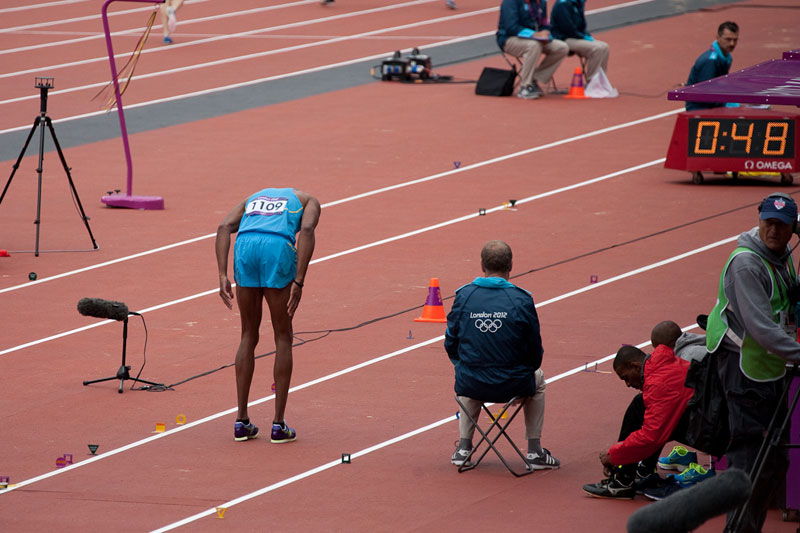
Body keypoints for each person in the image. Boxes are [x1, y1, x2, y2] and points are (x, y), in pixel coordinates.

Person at [705, 192, 800, 532]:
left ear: (794, 227)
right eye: (769, 223)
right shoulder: (747, 263)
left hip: (768, 371)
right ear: (759, 220)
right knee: (751, 466)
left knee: (775, 462)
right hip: (744, 373)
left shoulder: (781, 253)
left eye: (783, 225)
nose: (774, 231)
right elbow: (760, 327)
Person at [216, 188, 321, 443]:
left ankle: (241, 421)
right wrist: (299, 281)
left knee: (248, 335)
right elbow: (306, 231)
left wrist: (221, 275)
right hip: (276, 248)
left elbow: (223, 227)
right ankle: (278, 425)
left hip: (245, 246)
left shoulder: (253, 198)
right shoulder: (309, 202)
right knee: (283, 336)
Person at [445, 240, 560, 470]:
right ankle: (534, 451)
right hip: (514, 383)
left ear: (482, 265)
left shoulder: (464, 296)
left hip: (471, 383)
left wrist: (462, 365)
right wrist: (522, 375)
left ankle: (464, 448)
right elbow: (535, 350)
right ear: (511, 265)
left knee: (466, 368)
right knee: (539, 381)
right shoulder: (521, 299)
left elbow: (451, 341)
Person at [582, 344, 695, 499]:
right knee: (641, 404)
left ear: (634, 366)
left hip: (714, 433)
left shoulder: (657, 384)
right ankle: (643, 472)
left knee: (646, 413)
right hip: (707, 418)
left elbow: (651, 436)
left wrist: (614, 455)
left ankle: (623, 481)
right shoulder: (663, 362)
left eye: (626, 378)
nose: (628, 384)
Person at [496, 0, 569, 100]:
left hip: (536, 39)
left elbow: (544, 24)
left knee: (561, 47)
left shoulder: (541, 2)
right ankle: (524, 86)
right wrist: (533, 35)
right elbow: (511, 27)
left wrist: (546, 32)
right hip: (509, 39)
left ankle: (535, 79)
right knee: (534, 46)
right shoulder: (511, 2)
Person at [549, 0, 610, 82]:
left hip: (575, 37)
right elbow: (567, 28)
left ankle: (601, 80)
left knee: (604, 46)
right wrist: (582, 37)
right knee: (597, 49)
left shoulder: (578, 3)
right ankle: (592, 82)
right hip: (563, 38)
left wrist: (586, 35)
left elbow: (582, 25)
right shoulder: (563, 4)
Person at [684, 21, 739, 111]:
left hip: (711, 106)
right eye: (728, 39)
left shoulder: (726, 57)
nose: (732, 44)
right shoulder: (710, 61)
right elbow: (705, 93)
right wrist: (726, 103)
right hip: (699, 110)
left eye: (735, 40)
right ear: (718, 38)